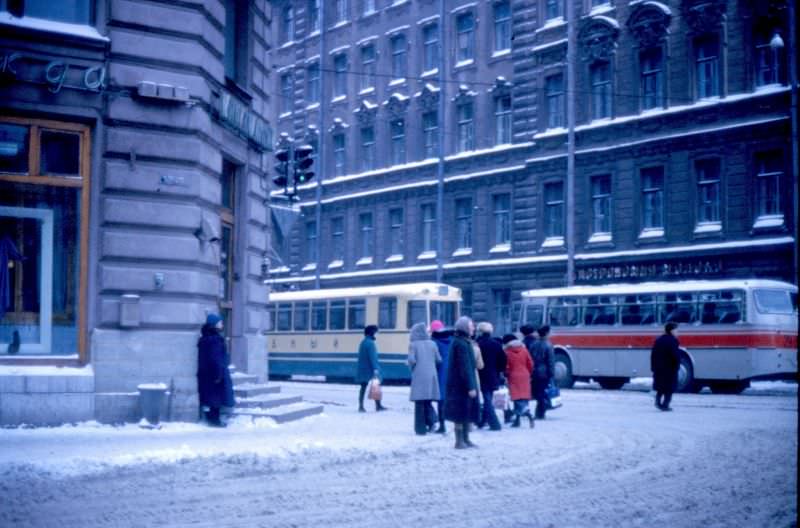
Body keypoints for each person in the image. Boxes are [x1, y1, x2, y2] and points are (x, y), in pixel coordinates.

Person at [444, 316, 478, 449]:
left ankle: (465, 439)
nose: (473, 328)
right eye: (471, 326)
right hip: (460, 385)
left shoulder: (462, 342)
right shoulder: (461, 344)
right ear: (465, 328)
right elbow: (465, 367)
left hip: (459, 384)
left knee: (465, 410)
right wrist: (471, 386)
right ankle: (459, 441)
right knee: (460, 412)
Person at [196, 313, 234, 427]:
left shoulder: (205, 338)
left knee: (210, 397)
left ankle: (212, 419)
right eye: (220, 322)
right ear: (214, 324)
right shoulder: (215, 340)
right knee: (216, 398)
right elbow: (215, 358)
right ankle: (214, 421)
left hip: (206, 373)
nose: (222, 324)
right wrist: (218, 374)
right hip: (215, 372)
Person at [408, 322, 442, 435]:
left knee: (419, 402)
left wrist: (411, 368)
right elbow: (439, 359)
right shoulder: (433, 344)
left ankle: (420, 429)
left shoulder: (413, 344)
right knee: (427, 400)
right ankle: (432, 421)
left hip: (419, 375)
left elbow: (412, 360)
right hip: (431, 375)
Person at [476, 322, 506, 431]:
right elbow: (503, 360)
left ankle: (494, 423)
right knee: (488, 397)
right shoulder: (496, 344)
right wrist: (499, 370)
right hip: (493, 374)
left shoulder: (478, 344)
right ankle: (483, 421)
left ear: (480, 331)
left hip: (481, 374)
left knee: (487, 399)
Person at [503, 333, 534, 428]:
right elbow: (530, 363)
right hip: (525, 375)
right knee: (523, 397)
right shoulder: (524, 350)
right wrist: (528, 372)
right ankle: (517, 420)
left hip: (513, 376)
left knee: (516, 399)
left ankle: (527, 413)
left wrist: (506, 374)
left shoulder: (507, 352)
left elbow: (507, 367)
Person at [356, 325, 387, 412]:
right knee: (376, 385)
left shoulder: (363, 342)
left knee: (363, 387)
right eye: (376, 332)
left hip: (363, 368)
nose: (377, 334)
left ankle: (361, 406)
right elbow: (373, 357)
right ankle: (378, 405)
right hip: (370, 368)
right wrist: (375, 368)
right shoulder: (371, 343)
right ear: (372, 333)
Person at [651, 322, 681, 411]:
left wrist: (653, 367)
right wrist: (677, 366)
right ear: (671, 331)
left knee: (660, 387)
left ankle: (657, 402)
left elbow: (653, 355)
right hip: (669, 369)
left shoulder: (658, 340)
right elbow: (675, 355)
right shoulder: (673, 341)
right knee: (669, 389)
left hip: (659, 368)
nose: (678, 332)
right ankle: (665, 405)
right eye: (676, 330)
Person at [530, 325, 555, 420]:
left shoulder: (533, 344)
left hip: (534, 371)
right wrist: (551, 373)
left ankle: (539, 411)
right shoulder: (548, 345)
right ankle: (540, 412)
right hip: (544, 372)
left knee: (538, 392)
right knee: (542, 392)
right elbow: (551, 361)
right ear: (546, 333)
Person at [431, 320, 452, 434]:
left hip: (440, 373)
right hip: (451, 373)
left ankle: (442, 425)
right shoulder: (452, 341)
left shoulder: (435, 343)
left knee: (441, 401)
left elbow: (435, 360)